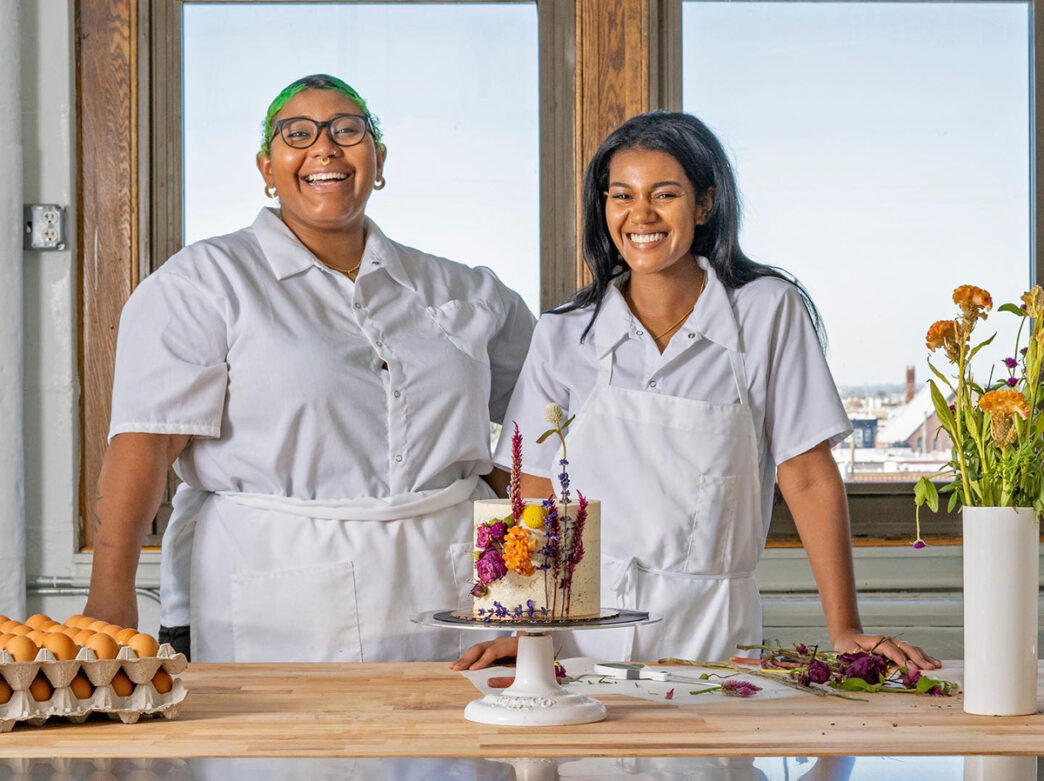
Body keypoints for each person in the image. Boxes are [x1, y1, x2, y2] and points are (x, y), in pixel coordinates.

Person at [454, 111, 939, 672]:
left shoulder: (765, 311)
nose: (641, 215)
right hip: (580, 635)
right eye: (622, 195)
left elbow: (805, 473)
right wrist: (525, 627)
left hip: (714, 634)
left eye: (664, 194)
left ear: (705, 204)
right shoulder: (564, 331)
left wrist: (845, 628)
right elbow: (533, 488)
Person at [85, 74, 534, 663]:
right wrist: (109, 598)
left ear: (378, 160)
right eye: (296, 133)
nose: (324, 147)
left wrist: (532, 608)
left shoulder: (468, 289)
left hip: (449, 587)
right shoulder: (204, 283)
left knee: (456, 753)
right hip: (276, 591)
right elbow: (145, 445)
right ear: (266, 169)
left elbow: (536, 446)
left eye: (348, 130)